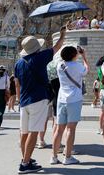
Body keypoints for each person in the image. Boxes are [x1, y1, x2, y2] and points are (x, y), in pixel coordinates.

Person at [14, 27, 66, 174]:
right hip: (38, 98)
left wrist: (18, 98)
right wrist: (62, 35)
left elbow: (17, 83)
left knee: (24, 132)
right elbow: (56, 48)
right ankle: (25, 164)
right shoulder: (40, 57)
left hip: (24, 100)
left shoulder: (19, 63)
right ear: (36, 48)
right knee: (34, 132)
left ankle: (26, 158)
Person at [51, 45, 89, 165]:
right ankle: (67, 157)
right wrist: (84, 57)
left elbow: (65, 60)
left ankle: (53, 156)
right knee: (70, 129)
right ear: (74, 55)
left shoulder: (59, 66)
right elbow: (86, 70)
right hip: (74, 99)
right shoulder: (78, 66)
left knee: (59, 129)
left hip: (61, 99)